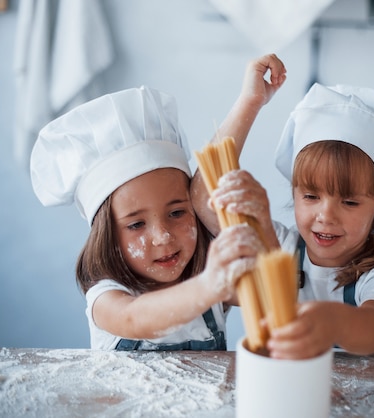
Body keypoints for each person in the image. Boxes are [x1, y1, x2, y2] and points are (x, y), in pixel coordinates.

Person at [30, 54, 287, 351]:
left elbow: (272, 294)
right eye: (137, 223)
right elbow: (133, 319)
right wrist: (208, 286)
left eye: (177, 212)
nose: (163, 236)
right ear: (106, 233)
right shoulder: (109, 297)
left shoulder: (208, 275)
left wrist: (251, 101)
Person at [206, 83, 374, 359]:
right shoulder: (279, 245)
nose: (326, 216)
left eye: (349, 202)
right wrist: (250, 101)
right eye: (311, 196)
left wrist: (332, 322)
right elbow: (205, 200)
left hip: (360, 399)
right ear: (294, 194)